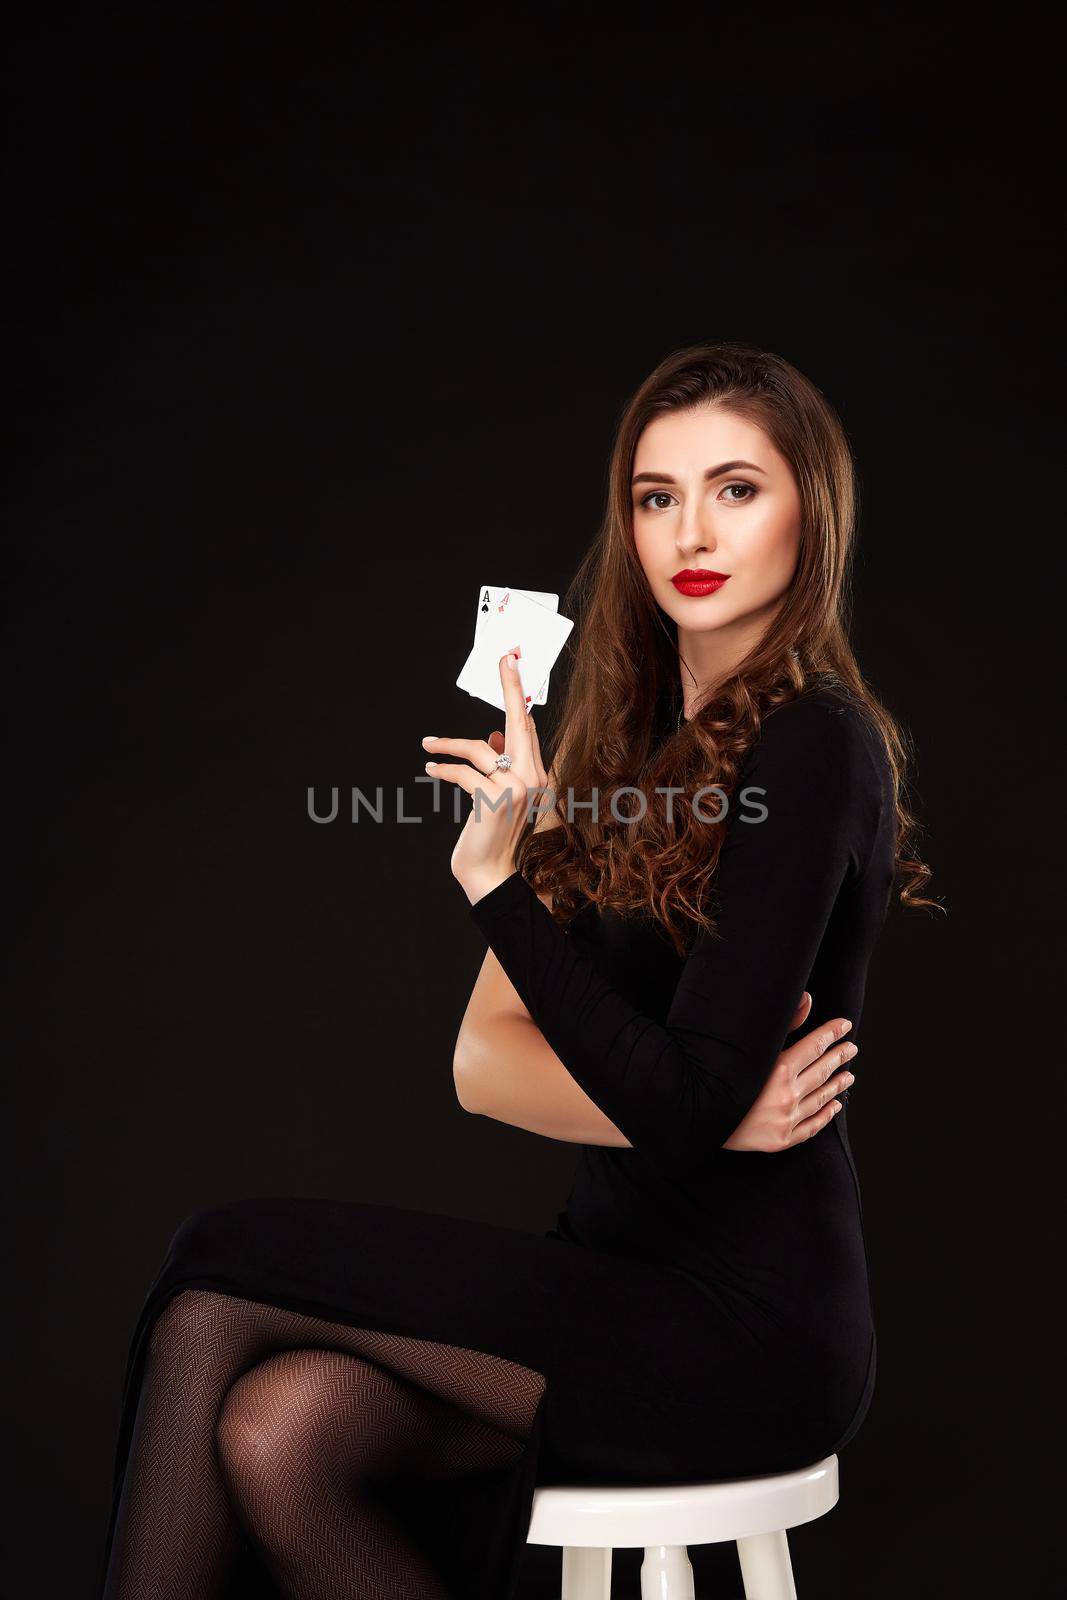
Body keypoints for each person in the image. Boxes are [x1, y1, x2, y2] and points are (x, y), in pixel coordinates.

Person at [96, 341, 937, 1600]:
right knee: (283, 1426)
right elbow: (484, 1065)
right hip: (608, 1282)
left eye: (735, 488)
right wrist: (698, 1106)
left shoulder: (812, 745)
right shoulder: (623, 750)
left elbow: (674, 1100)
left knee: (214, 1267)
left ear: (810, 511)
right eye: (656, 496)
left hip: (740, 1332)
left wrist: (498, 888)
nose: (688, 530)